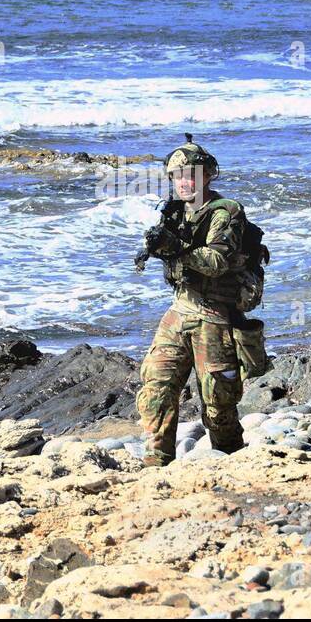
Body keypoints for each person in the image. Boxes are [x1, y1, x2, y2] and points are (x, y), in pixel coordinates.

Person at [135, 136, 250, 466]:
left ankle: (231, 462)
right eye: (178, 176)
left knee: (218, 406)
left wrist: (176, 248)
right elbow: (171, 255)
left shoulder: (226, 212)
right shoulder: (175, 212)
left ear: (207, 176)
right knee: (156, 389)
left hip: (214, 315)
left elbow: (217, 262)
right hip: (180, 308)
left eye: (192, 174)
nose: (184, 181)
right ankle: (156, 468)